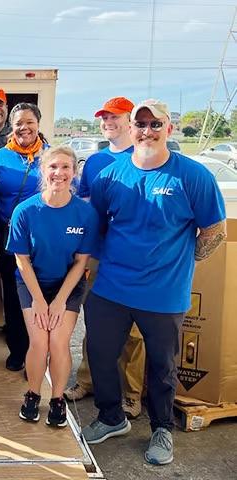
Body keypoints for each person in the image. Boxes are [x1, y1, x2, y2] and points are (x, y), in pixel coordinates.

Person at [82, 99, 226, 465]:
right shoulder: (110, 175)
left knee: (162, 367)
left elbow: (214, 231)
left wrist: (179, 264)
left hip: (164, 294)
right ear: (131, 130)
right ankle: (111, 416)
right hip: (112, 287)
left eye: (155, 124)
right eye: (140, 124)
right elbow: (95, 225)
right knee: (99, 355)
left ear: (169, 129)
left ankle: (162, 428)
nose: (147, 131)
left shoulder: (193, 176)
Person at [65, 96, 146, 420]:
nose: (108, 122)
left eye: (115, 117)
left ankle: (131, 393)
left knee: (133, 330)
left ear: (130, 121)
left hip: (133, 257)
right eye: (104, 118)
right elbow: (87, 208)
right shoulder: (96, 162)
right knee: (95, 321)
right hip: (98, 254)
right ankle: (88, 381)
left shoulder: (143, 158)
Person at [6, 145, 97, 427]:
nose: (59, 173)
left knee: (57, 341)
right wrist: (39, 301)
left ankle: (57, 398)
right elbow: (21, 260)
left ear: (74, 172)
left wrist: (58, 301)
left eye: (65, 167)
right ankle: (33, 393)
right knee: (38, 340)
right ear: (43, 171)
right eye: (53, 167)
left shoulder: (85, 213)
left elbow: (81, 263)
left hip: (66, 285)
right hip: (32, 283)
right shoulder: (25, 211)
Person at [0, 102, 48, 372]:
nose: (24, 128)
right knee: (14, 293)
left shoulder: (51, 157)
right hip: (9, 235)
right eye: (18, 124)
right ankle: (18, 349)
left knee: (43, 293)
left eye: (29, 122)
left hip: (44, 236)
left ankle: (39, 354)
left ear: (38, 124)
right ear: (10, 127)